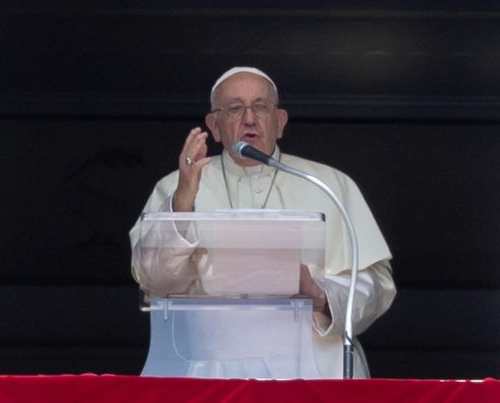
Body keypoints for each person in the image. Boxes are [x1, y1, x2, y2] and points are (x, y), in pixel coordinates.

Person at [129, 66, 396, 378]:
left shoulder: (330, 184)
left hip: (314, 371)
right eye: (234, 109)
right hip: (213, 373)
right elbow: (154, 282)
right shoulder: (176, 187)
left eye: (260, 106)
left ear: (279, 122)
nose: (249, 119)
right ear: (214, 126)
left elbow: (378, 285)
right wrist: (184, 200)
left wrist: (320, 293)